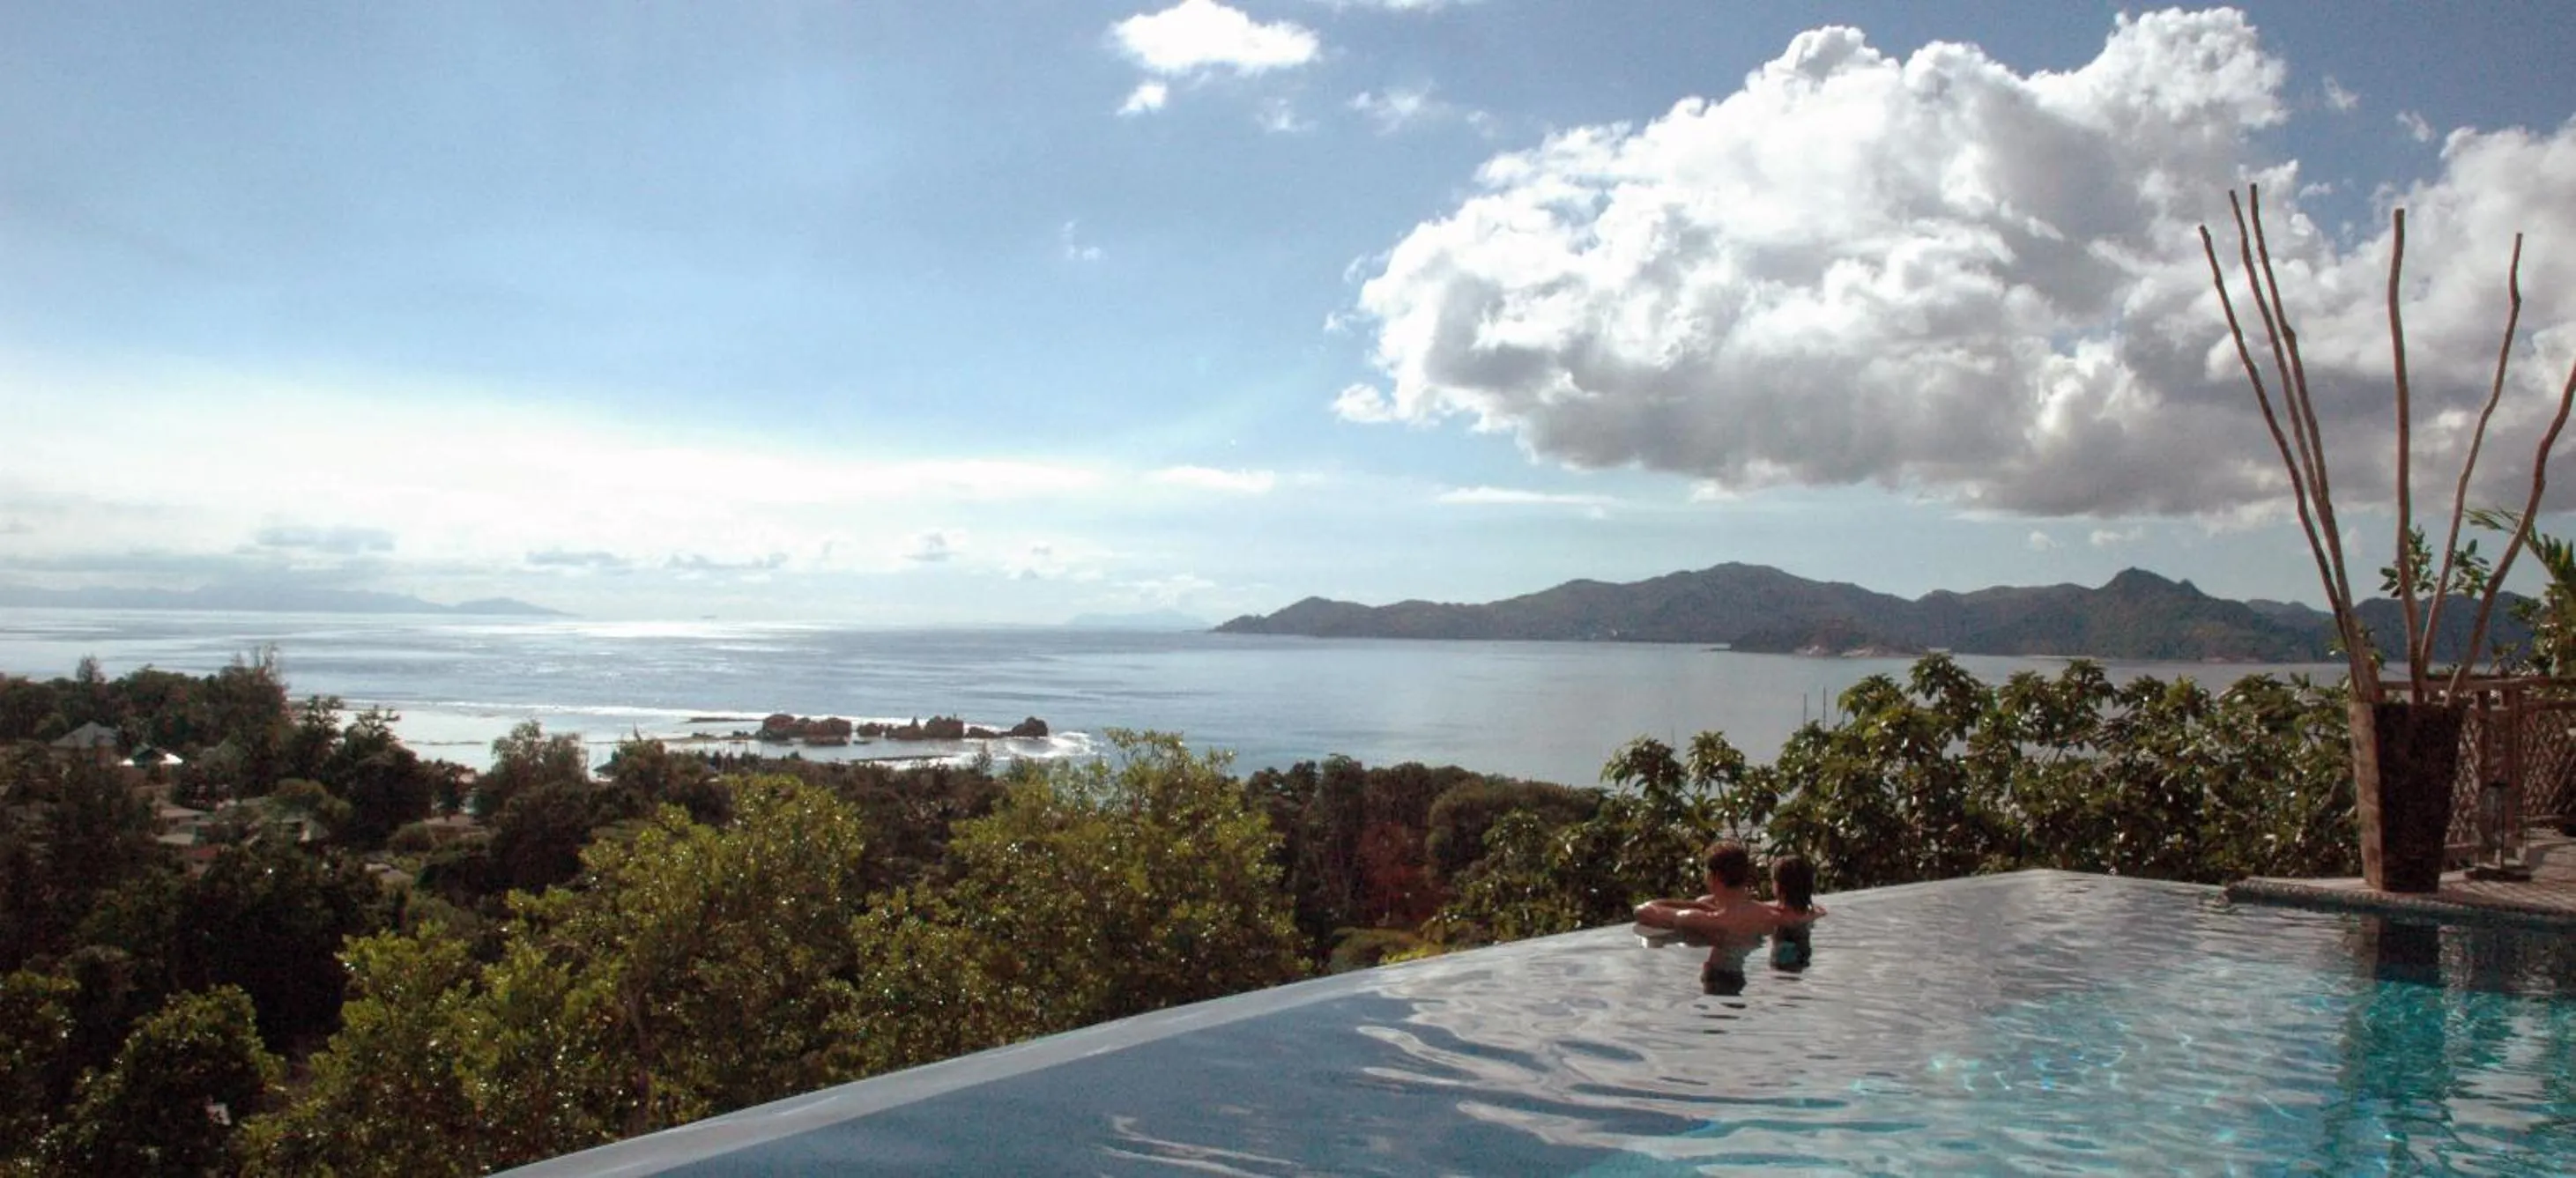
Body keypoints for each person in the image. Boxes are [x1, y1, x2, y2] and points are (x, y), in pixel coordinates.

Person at [1634, 841, 1823, 996]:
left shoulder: (1702, 919)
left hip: (1721, 979)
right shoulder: (1771, 915)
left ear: (1714, 876)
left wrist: (1698, 906)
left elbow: (1643, 911)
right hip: (1754, 971)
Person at [1768, 854, 1816, 971]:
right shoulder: (1811, 914)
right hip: (1804, 951)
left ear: (1779, 887)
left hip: (1783, 951)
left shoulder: (1776, 916)